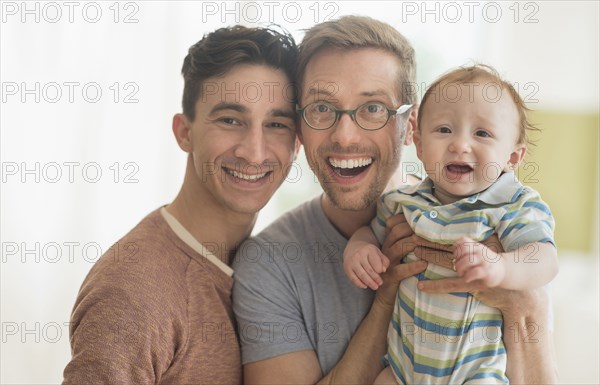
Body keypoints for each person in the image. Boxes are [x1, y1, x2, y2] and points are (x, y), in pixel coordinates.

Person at [232, 16, 558, 385]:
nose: (346, 136)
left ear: (410, 127)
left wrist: (523, 303)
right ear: (300, 127)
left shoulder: (499, 224)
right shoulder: (268, 265)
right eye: (322, 108)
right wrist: (386, 296)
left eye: (373, 108)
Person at [62, 25, 300, 384]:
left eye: (276, 123)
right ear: (184, 132)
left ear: (297, 143)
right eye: (230, 120)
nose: (254, 151)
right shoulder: (133, 292)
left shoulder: (269, 267)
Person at [343, 64, 558, 384]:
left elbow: (544, 258)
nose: (459, 144)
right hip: (405, 369)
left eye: (482, 133)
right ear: (417, 142)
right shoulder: (405, 201)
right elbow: (369, 232)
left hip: (475, 371)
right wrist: (359, 248)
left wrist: (501, 267)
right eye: (444, 130)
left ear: (512, 158)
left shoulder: (511, 204)